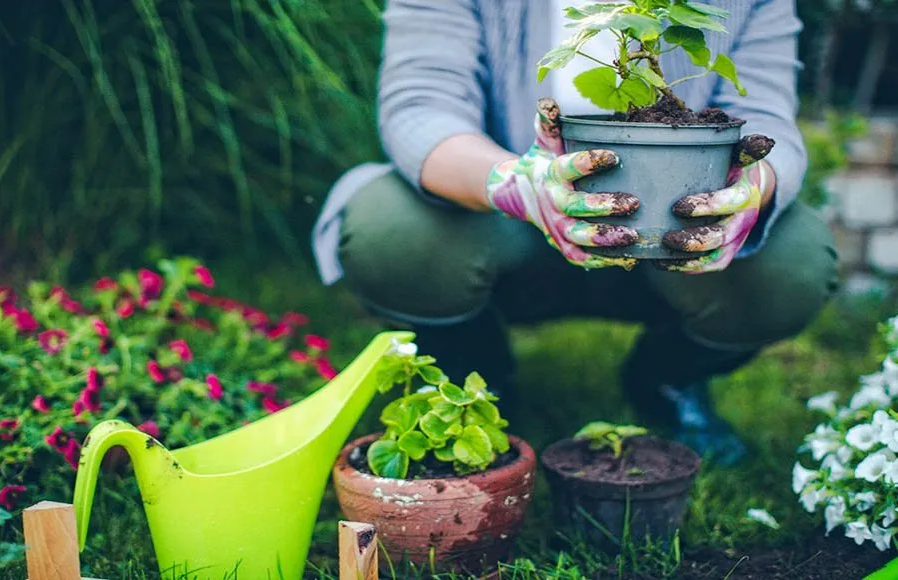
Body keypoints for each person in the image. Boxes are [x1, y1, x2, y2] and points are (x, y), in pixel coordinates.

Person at [311, 0, 839, 466]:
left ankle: (667, 376)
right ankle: (474, 369)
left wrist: (752, 188)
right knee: (391, 231)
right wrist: (518, 185)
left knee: (791, 265)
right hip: (499, 225)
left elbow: (765, 115)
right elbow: (421, 107)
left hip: (673, 229)